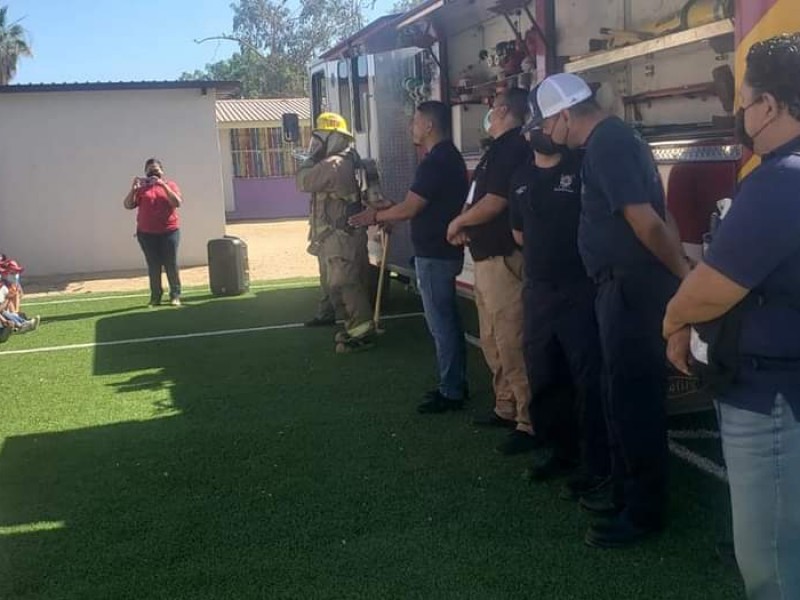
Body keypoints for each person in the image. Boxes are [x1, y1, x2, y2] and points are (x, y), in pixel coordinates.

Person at [663, 34, 800, 599]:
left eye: (745, 102)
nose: (741, 113)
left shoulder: (781, 180)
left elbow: (711, 288)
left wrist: (672, 319)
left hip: (768, 394)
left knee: (769, 562)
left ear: (769, 105)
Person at [535, 73, 690, 547]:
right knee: (618, 397)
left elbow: (647, 223)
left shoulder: (608, 145)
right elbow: (659, 215)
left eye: (549, 122)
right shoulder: (610, 143)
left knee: (634, 402)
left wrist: (686, 279)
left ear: (565, 115)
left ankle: (642, 512)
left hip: (631, 291)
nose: (548, 132)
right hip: (618, 289)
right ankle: (627, 496)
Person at [510, 87, 609, 486]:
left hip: (578, 288)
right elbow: (519, 234)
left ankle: (596, 462)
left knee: (587, 378)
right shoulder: (520, 178)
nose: (540, 130)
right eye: (534, 125)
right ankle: (560, 452)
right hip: (538, 291)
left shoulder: (582, 165)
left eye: (544, 122)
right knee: (545, 374)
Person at [350, 101, 469, 410]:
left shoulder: (436, 161)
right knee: (448, 323)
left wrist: (376, 217)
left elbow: (412, 207)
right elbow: (417, 203)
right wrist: (389, 209)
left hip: (436, 254)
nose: (411, 127)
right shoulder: (447, 158)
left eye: (415, 121)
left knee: (441, 325)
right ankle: (454, 383)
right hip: (441, 252)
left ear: (429, 125)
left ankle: (452, 390)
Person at [445, 88, 534, 455]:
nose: (489, 115)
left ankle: (530, 420)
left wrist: (458, 222)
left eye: (493, 109)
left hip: (503, 257)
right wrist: (468, 223)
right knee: (493, 338)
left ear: (505, 111)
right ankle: (506, 405)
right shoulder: (498, 149)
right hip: (485, 257)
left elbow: (495, 202)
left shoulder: (513, 147)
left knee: (511, 338)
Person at [297, 112, 374, 353]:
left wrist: (309, 159)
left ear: (332, 137)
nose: (316, 144)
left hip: (340, 236)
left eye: (319, 138)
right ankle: (354, 326)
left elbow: (303, 181)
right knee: (345, 282)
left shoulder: (333, 164)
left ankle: (361, 333)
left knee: (346, 284)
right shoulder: (350, 159)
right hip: (345, 234)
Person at [123, 158, 184, 307]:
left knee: (171, 264)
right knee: (153, 265)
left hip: (169, 231)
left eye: (156, 169)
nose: (153, 172)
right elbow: (128, 205)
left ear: (162, 171)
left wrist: (163, 186)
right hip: (147, 234)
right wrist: (134, 189)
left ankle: (175, 295)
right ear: (145, 172)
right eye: (150, 169)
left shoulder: (170, 185)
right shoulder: (142, 188)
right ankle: (155, 296)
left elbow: (177, 203)